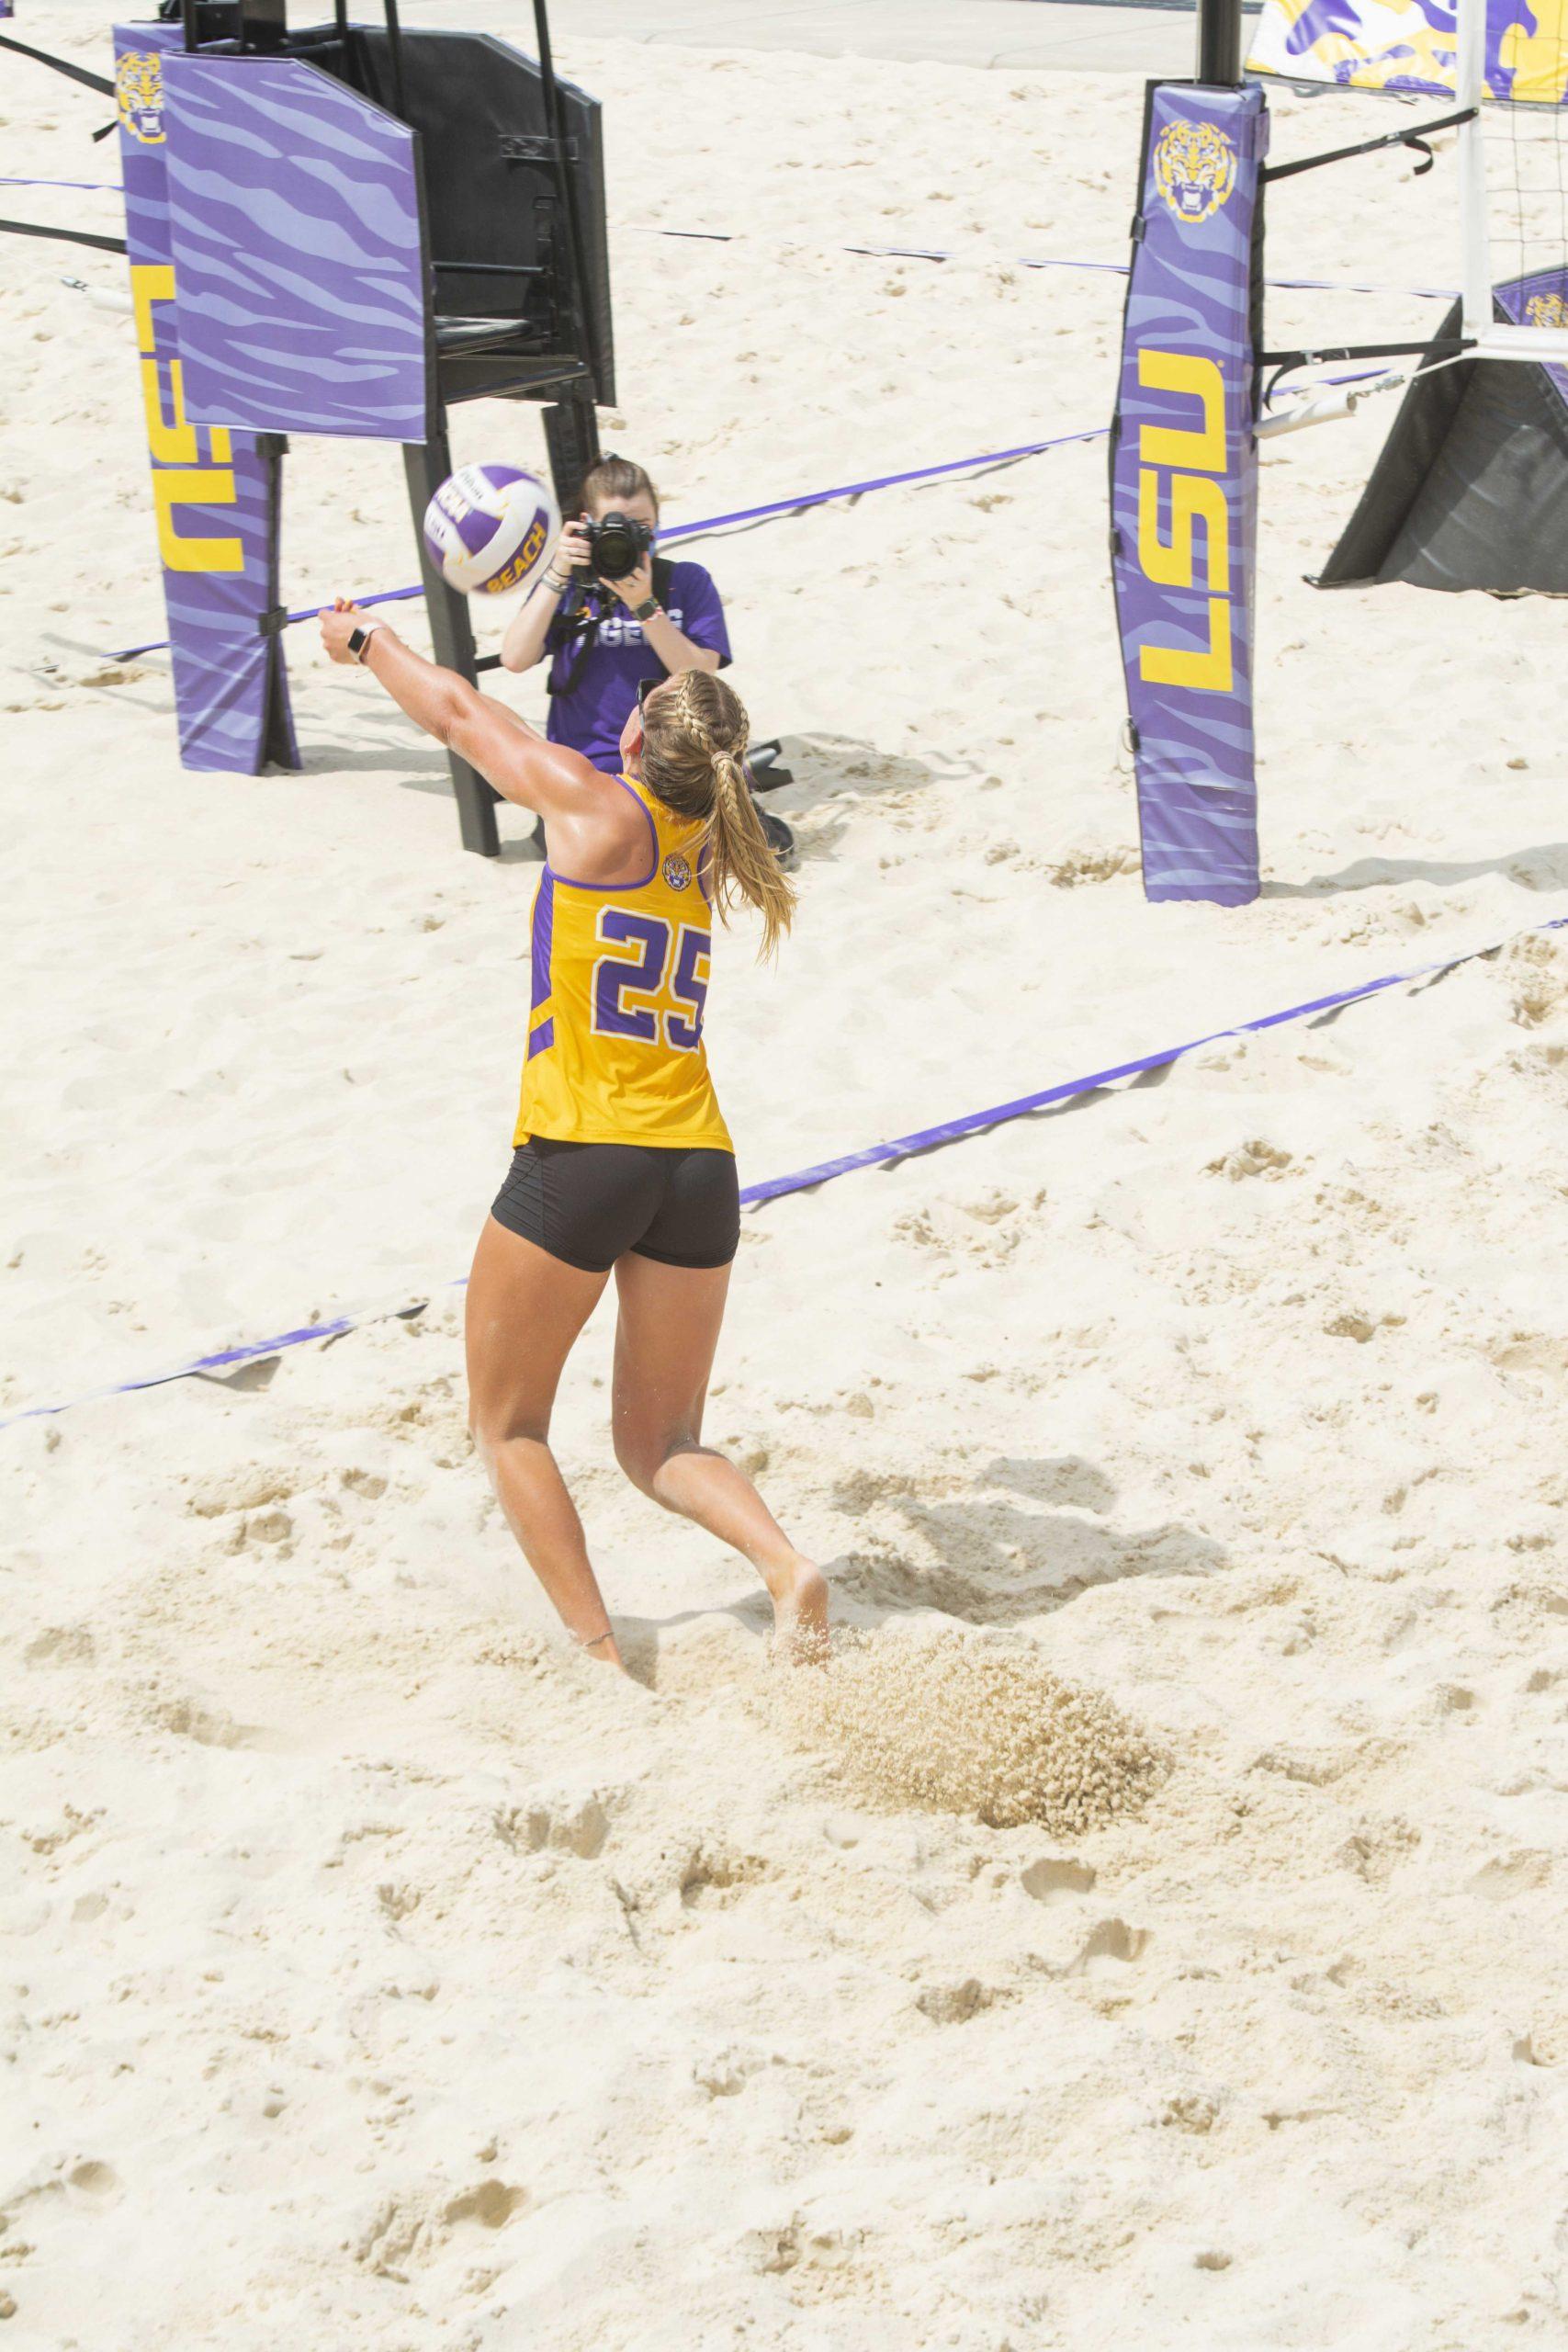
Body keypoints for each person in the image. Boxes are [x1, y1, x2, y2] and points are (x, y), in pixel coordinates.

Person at [319, 596, 829, 1671]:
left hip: (584, 1154)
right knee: (666, 1444)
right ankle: (784, 1565)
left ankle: (598, 1657)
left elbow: (461, 714)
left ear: (638, 735)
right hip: (698, 1163)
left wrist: (368, 642)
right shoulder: (710, 848)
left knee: (509, 1427)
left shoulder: (598, 809)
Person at [501, 451, 794, 860]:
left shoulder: (684, 582)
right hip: (583, 774)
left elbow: (700, 672)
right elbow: (514, 658)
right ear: (587, 526)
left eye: (641, 527)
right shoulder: (570, 587)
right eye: (615, 528)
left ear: (657, 524)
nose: (630, 538)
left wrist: (645, 607)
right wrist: (556, 574)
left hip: (667, 769)